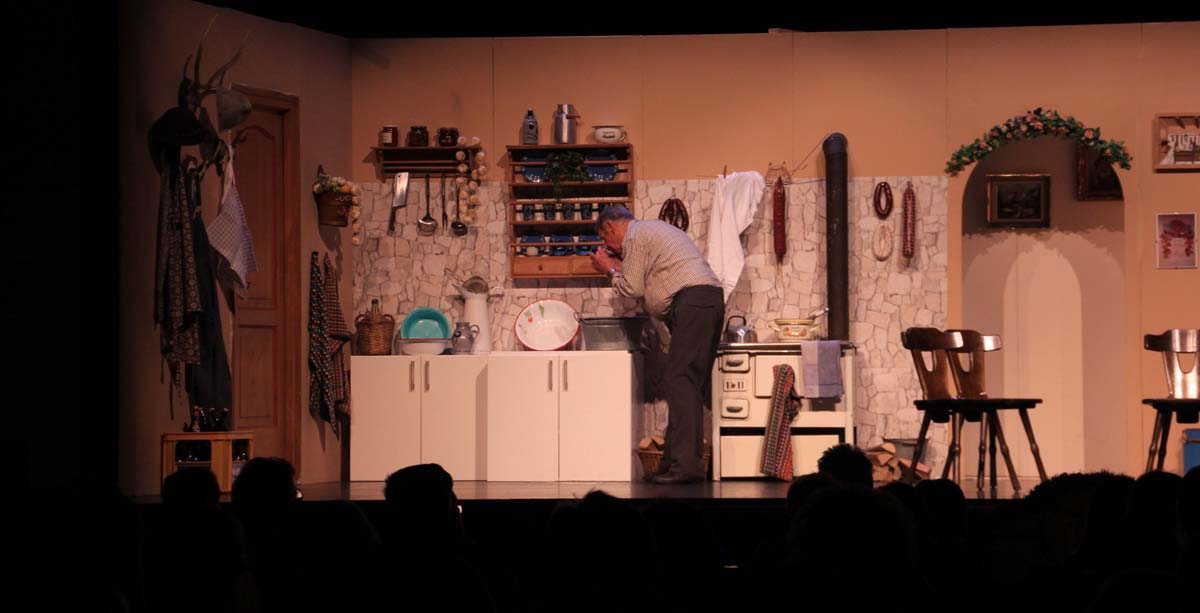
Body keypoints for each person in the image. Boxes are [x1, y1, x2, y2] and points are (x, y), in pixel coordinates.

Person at [590, 206, 724, 484]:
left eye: (605, 238)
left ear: (611, 227)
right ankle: (673, 463)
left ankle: (686, 468)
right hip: (705, 302)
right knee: (686, 384)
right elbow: (649, 286)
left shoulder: (635, 234)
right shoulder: (650, 231)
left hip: (694, 303)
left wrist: (609, 270)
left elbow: (632, 288)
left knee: (679, 380)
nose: (608, 245)